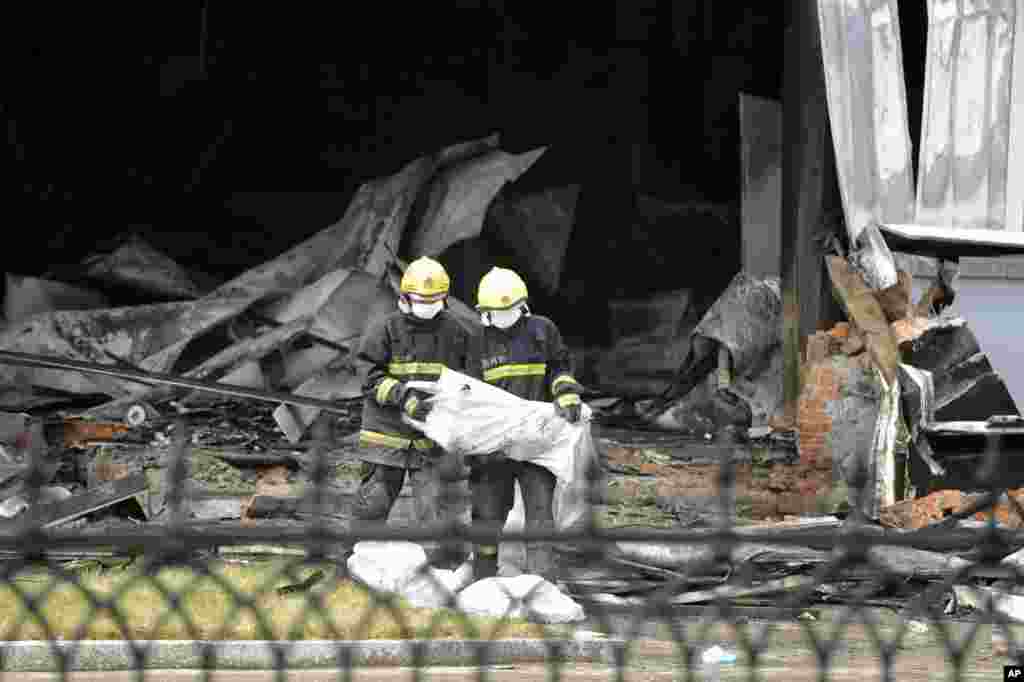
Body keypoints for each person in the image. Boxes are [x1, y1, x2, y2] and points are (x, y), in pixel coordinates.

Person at [352, 256, 477, 567]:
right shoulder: (385, 329)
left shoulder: (458, 333)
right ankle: (355, 564)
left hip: (431, 439)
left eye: (434, 300)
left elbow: (470, 379)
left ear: (445, 298)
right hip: (386, 434)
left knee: (436, 509)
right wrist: (402, 397)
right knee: (374, 503)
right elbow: (368, 375)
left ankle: (444, 572)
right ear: (405, 297)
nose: (428, 305)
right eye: (422, 300)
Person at [469, 266, 585, 581]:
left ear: (522, 305)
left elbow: (560, 367)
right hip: (494, 447)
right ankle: (482, 579)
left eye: (510, 309)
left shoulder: (542, 331)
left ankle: (542, 583)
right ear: (484, 313)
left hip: (537, 443)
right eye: (498, 311)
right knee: (487, 515)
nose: (506, 315)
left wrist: (566, 394)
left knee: (540, 514)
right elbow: (468, 398)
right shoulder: (475, 342)